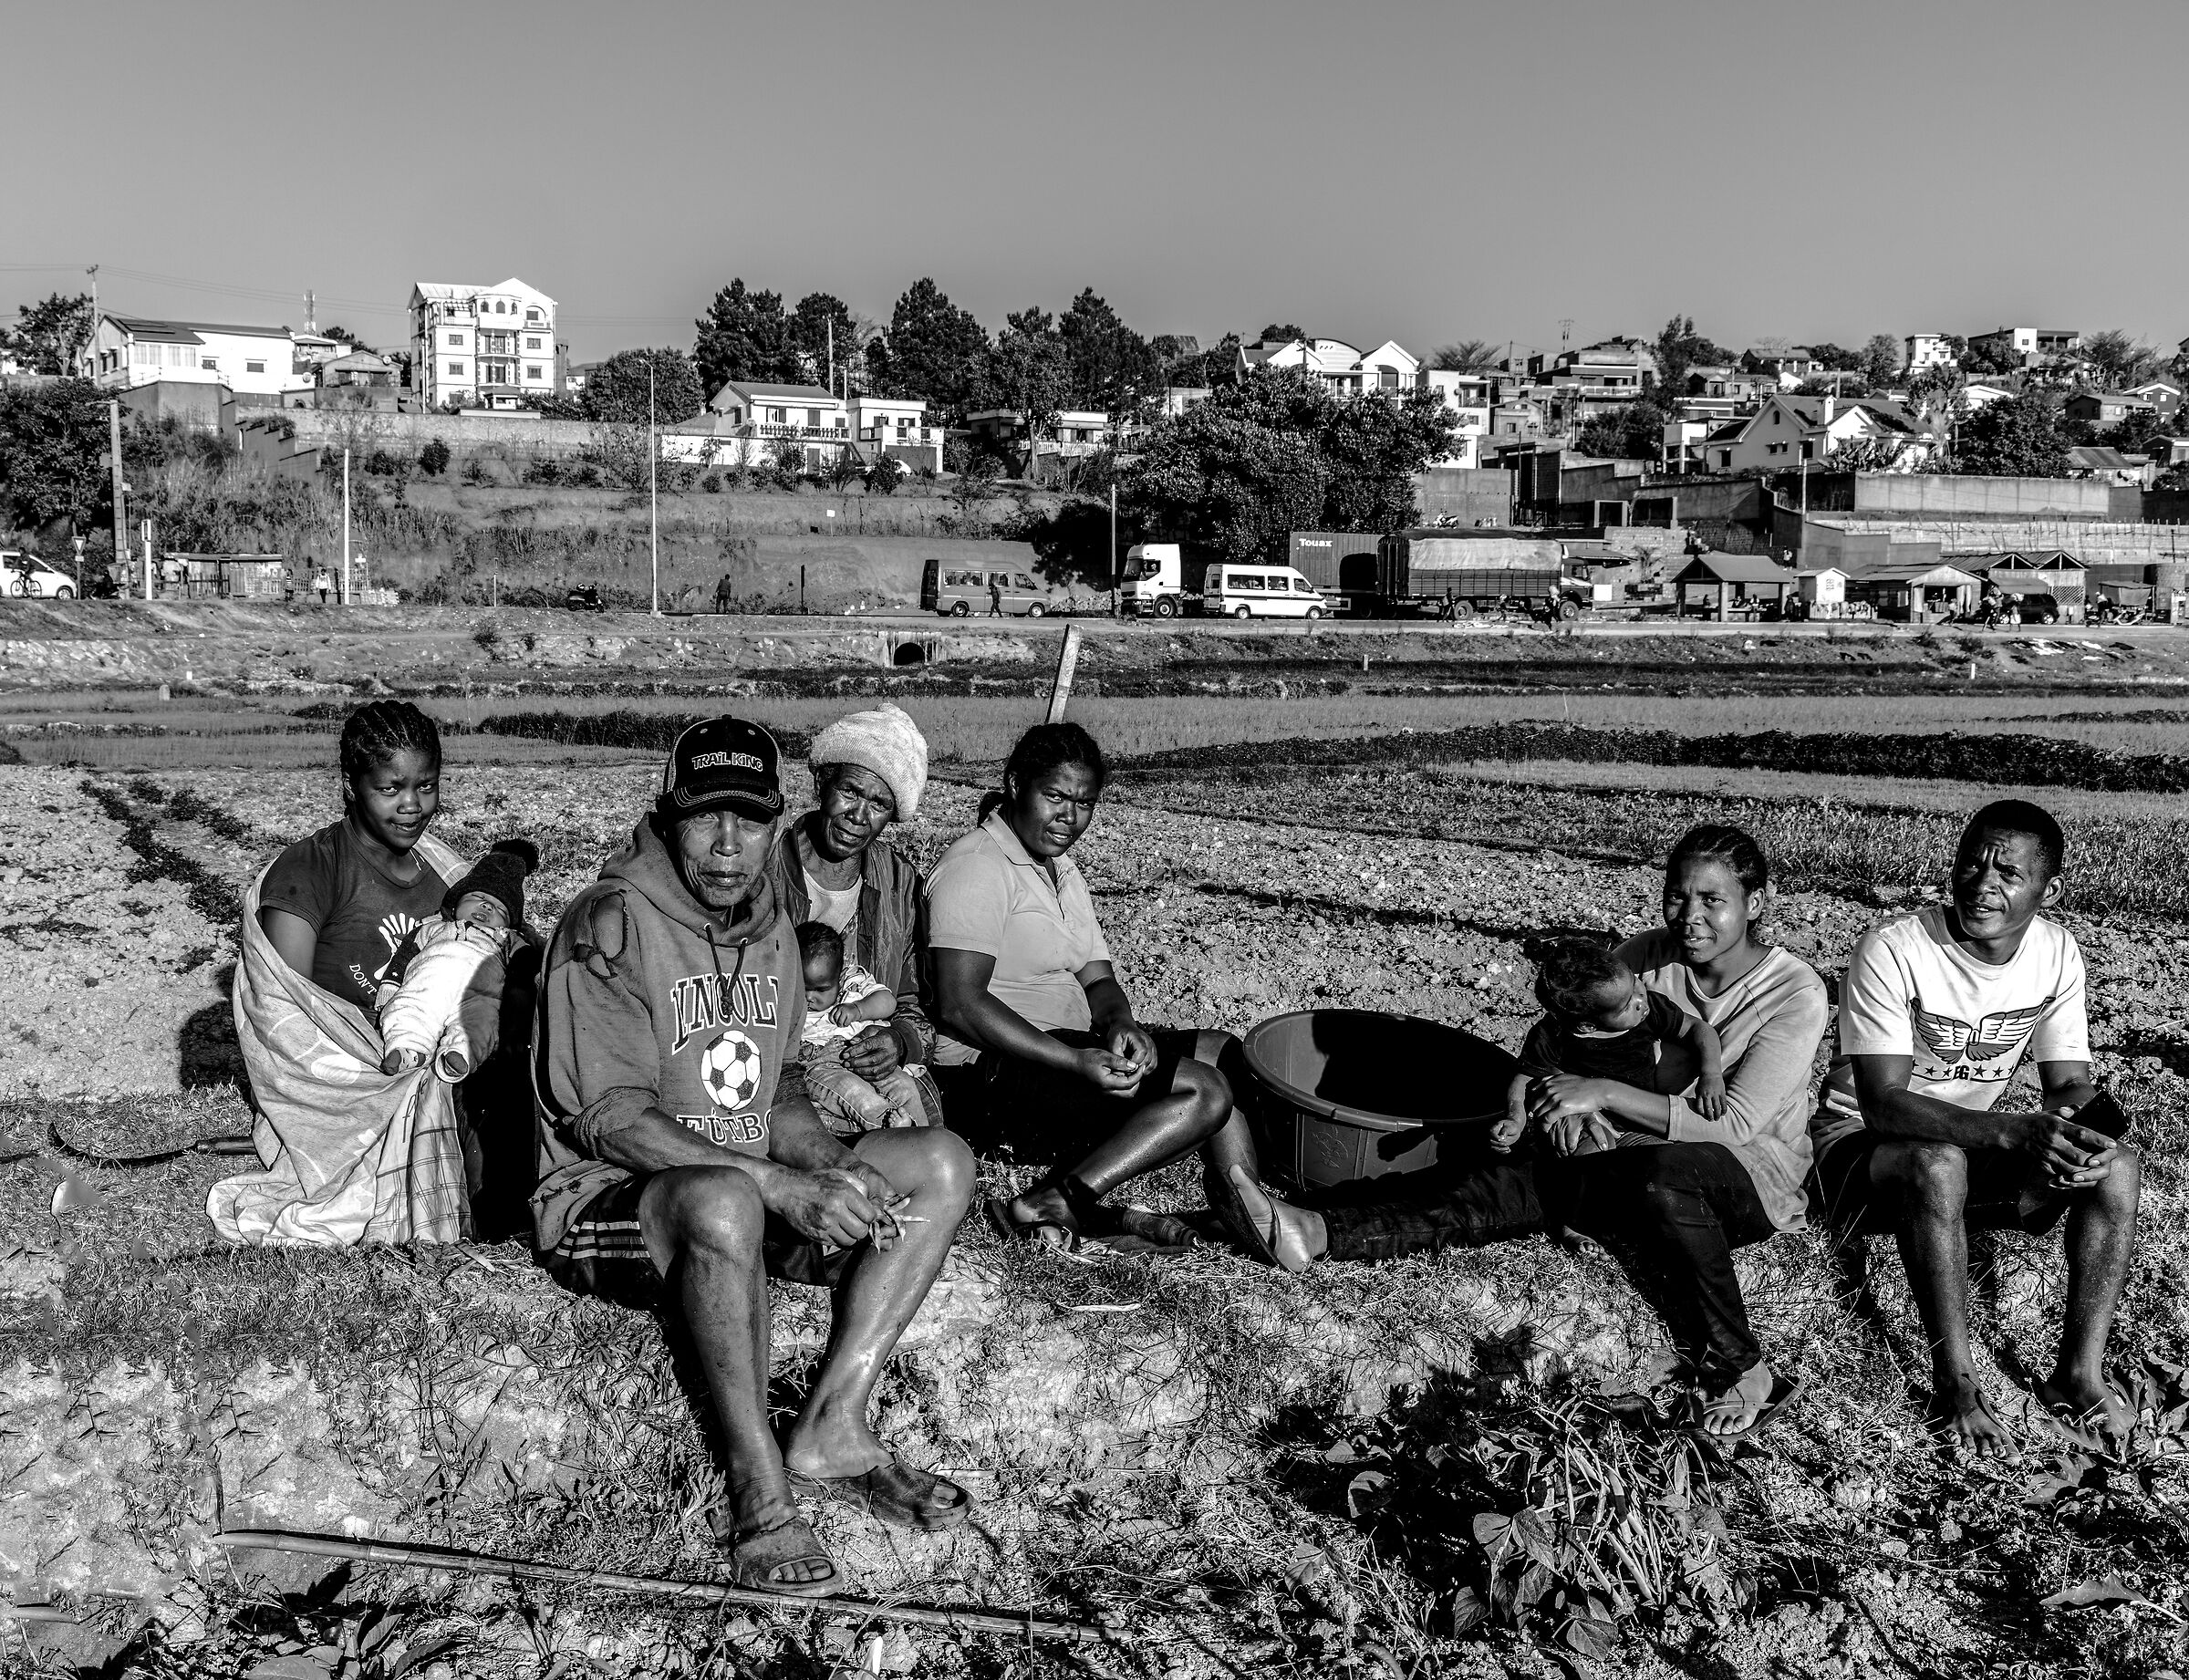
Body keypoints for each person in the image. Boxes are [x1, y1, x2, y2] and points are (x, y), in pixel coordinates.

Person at [533, 717, 977, 1596]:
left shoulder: (772, 927)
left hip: (749, 1188)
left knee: (941, 1160)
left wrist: (824, 1166)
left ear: (779, 822)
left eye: (751, 819)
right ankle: (760, 1492)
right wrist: (774, 1183)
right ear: (669, 815)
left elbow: (773, 1098)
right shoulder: (609, 923)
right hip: (616, 1202)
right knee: (726, 1202)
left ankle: (833, 1424)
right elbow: (609, 1117)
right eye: (706, 818)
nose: (729, 845)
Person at [1225, 826, 1830, 1437]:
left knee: (1657, 1174)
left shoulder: (1795, 992)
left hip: (1744, 1174)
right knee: (1501, 1183)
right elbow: (1564, 1049)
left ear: (1756, 902)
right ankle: (1315, 1228)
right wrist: (1563, 1110)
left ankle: (1745, 1366)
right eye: (1677, 896)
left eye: (1712, 900)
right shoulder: (1642, 958)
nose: (1690, 916)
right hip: (1620, 1153)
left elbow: (1739, 1122)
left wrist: (1606, 1096)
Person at [1809, 799, 2139, 1454]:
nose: (1983, 882)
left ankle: (2078, 1373)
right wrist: (2014, 1133)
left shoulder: (2056, 952)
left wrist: (2080, 1122)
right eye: (1972, 862)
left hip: (1965, 1145)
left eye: (2008, 872)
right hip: (1856, 1151)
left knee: (2119, 1167)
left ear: (2050, 890)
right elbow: (1883, 1105)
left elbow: (2066, 1080)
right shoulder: (1895, 948)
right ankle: (1954, 1382)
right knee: (1938, 1161)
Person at [928, 721, 1248, 1250]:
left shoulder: (1059, 869)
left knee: (1224, 1055)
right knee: (1205, 1091)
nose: (1068, 817)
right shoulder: (978, 866)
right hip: (997, 1069)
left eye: (1084, 803)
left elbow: (1095, 973)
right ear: (1014, 784)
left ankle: (1246, 1214)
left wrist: (1122, 1023)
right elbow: (961, 1005)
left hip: (1071, 1045)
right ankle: (1063, 1196)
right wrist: (1073, 1061)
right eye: (1054, 796)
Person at [767, 703, 943, 1126]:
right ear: (823, 784)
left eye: (880, 804)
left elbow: (911, 998)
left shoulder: (899, 883)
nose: (859, 816)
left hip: (868, 1061)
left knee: (919, 1116)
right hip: (782, 1065)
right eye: (850, 791)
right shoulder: (767, 864)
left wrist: (899, 1042)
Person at [260, 701, 461, 1011]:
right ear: (351, 786)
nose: (412, 805)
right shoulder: (311, 871)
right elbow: (288, 1007)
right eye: (390, 789)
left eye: (426, 786)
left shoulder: (444, 872)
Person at [1508, 937, 1726, 1157]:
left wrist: (1711, 1073)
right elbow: (1524, 1078)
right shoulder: (1553, 1034)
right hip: (1581, 1122)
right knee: (1594, 1152)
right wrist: (1515, 1119)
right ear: (1586, 1025)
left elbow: (1698, 1029)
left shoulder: (1653, 1011)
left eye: (1635, 982)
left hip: (1638, 1121)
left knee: (1670, 1160)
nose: (1640, 1000)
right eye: (1625, 1007)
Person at [376, 839, 540, 1079]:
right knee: (408, 1010)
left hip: (478, 994)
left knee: (480, 1026)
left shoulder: (506, 940)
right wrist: (389, 989)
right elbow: (403, 958)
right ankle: (408, 1051)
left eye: (500, 909)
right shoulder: (432, 929)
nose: (487, 906)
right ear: (455, 905)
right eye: (477, 896)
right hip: (428, 985)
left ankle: (459, 1057)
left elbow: (527, 963)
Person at [796, 921, 924, 1132]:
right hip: (820, 1063)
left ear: (839, 975)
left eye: (821, 989)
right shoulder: (785, 994)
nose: (809, 997)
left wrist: (859, 1009)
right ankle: (893, 1130)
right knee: (858, 1096)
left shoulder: (852, 981)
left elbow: (888, 1002)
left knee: (903, 1085)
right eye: (803, 987)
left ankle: (923, 1138)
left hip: (865, 1050)